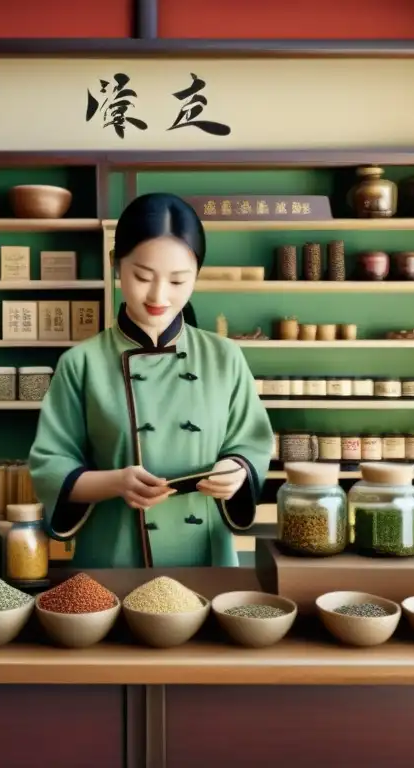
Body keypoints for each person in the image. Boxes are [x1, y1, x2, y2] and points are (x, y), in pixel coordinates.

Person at [29, 193, 273, 568]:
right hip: (115, 554)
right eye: (143, 277)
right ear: (115, 265)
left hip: (205, 554)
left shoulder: (225, 357)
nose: (159, 296)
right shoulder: (81, 363)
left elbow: (251, 443)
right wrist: (116, 483)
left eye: (178, 281)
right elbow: (51, 465)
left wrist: (236, 470)